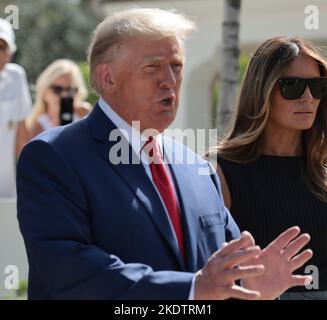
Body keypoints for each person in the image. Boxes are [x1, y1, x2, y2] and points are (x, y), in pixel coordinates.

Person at [17, 9, 312, 300]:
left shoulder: (198, 168)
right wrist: (192, 289)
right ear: (107, 78)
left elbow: (224, 276)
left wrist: (252, 288)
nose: (169, 80)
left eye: (176, 65)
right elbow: (69, 272)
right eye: (153, 67)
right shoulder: (52, 157)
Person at [208, 36, 327, 299]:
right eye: (292, 86)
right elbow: (206, 267)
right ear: (262, 92)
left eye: (318, 86)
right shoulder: (220, 172)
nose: (308, 97)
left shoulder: (323, 171)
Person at [0, 18, 32, 197]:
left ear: (10, 52)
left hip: (8, 188)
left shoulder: (16, 76)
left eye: (1, 46)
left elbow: (22, 133)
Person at [26, 59, 91, 138]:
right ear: (44, 92)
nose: (65, 95)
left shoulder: (84, 113)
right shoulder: (35, 129)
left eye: (70, 90)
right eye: (57, 89)